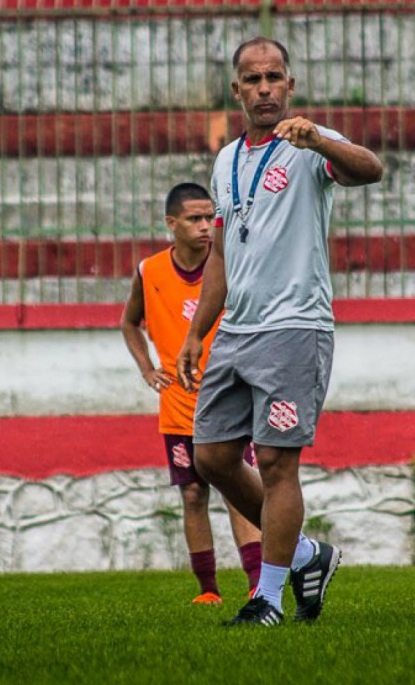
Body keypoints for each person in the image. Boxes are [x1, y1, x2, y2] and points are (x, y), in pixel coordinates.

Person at [176, 38, 384, 626]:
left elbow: (371, 170)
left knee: (274, 461)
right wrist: (199, 332)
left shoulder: (308, 144)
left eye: (274, 77)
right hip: (237, 331)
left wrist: (319, 139)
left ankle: (266, 598)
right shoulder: (225, 160)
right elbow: (221, 255)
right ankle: (304, 555)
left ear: (289, 85)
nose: (265, 88)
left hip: (294, 327)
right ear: (236, 90)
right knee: (212, 458)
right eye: (253, 78)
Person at [121, 181, 263, 605]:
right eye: (195, 219)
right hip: (179, 404)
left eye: (209, 218)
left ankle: (257, 582)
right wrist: (147, 369)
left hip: (231, 397)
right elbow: (130, 322)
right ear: (172, 223)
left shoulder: (231, 265)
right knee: (193, 492)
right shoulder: (150, 271)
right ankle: (208, 590)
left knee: (238, 490)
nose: (205, 227)